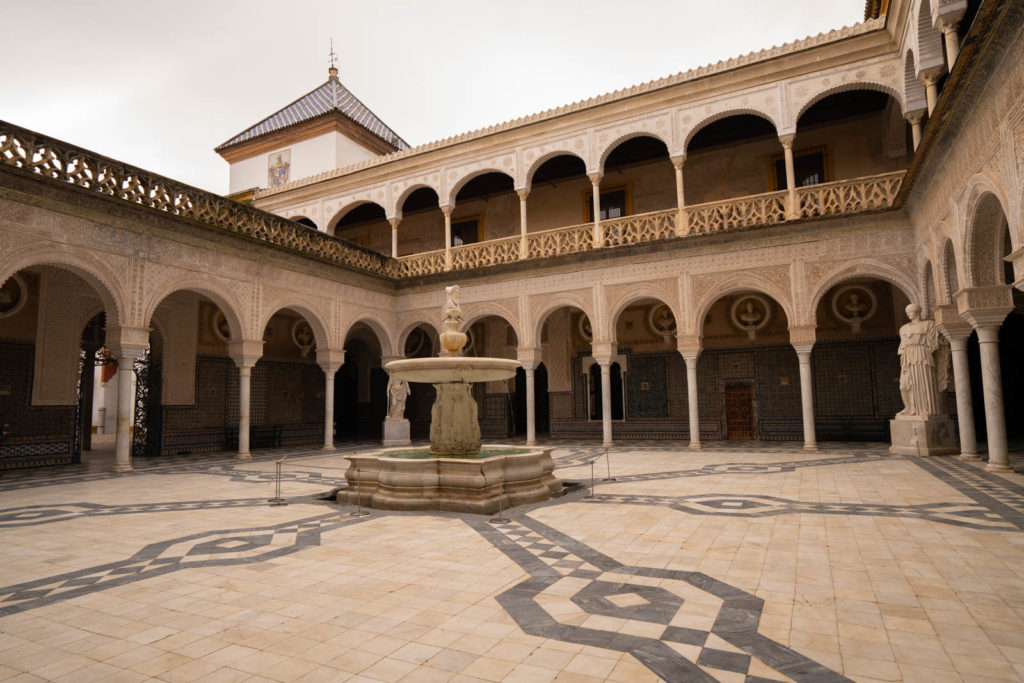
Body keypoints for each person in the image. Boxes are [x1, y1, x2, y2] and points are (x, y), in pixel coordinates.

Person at [896, 303, 942, 417]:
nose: (908, 315)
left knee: (923, 383)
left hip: (922, 355)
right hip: (908, 358)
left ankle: (926, 408)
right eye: (907, 312)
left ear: (917, 311)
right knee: (904, 385)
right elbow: (902, 347)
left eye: (910, 312)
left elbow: (935, 344)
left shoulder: (929, 324)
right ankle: (909, 407)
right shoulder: (903, 328)